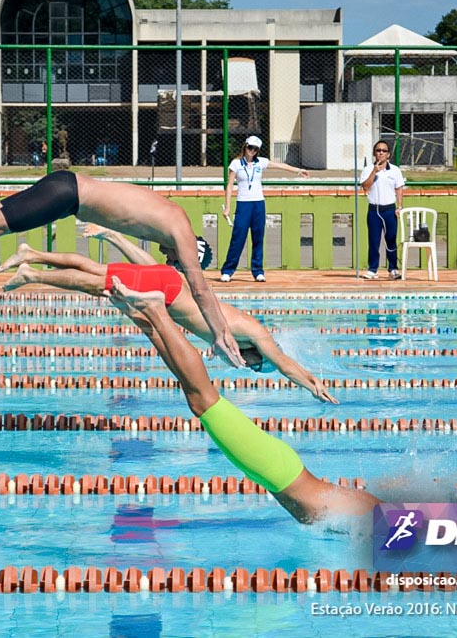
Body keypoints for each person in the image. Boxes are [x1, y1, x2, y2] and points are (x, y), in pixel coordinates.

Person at [0, 169, 245, 367]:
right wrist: (220, 335)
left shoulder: (170, 220)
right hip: (67, 195)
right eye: (176, 261)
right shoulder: (180, 228)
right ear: (190, 252)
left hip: (66, 188)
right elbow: (200, 289)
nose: (168, 262)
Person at [105, 278, 380, 524]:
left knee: (197, 398)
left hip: (281, 473)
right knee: (202, 399)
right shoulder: (397, 524)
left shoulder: (393, 521)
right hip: (280, 473)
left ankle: (144, 316)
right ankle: (154, 311)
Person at [0, 223, 337, 403]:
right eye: (252, 365)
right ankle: (33, 273)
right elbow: (284, 362)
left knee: (96, 272)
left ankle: (32, 253)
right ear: (254, 356)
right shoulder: (253, 332)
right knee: (97, 283)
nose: (244, 366)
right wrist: (311, 384)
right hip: (169, 292)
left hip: (170, 288)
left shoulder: (232, 338)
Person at [220, 135, 309, 283]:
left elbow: (281, 166)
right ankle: (228, 271)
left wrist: (298, 170)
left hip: (258, 204)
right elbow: (229, 185)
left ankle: (258, 271)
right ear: (245, 146)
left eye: (255, 149)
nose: (252, 151)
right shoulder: (235, 164)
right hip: (243, 204)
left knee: (258, 238)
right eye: (250, 147)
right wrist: (228, 206)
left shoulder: (260, 162)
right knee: (238, 238)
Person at [359, 140, 406, 280]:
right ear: (374, 153)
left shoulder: (395, 170)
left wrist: (400, 207)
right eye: (378, 150)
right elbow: (365, 187)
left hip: (389, 210)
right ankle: (373, 269)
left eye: (384, 151)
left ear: (388, 154)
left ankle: (393, 269)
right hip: (374, 210)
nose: (381, 153)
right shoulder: (368, 169)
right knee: (374, 241)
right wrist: (374, 171)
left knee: (391, 240)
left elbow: (399, 189)